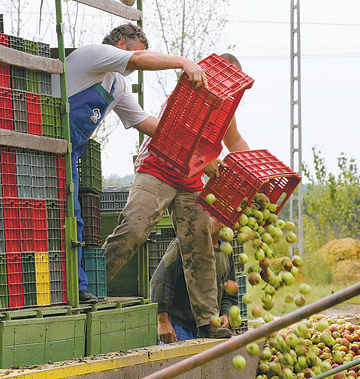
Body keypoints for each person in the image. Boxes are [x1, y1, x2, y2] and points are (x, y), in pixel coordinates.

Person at [104, 53, 249, 337]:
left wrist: (249, 171)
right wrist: (202, 157)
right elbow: (173, 131)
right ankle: (92, 287)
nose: (225, 88)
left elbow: (235, 141)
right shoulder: (192, 89)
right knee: (133, 228)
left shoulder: (227, 107)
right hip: (158, 167)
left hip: (190, 179)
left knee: (200, 245)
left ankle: (207, 321)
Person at [66, 23, 208, 303]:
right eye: (137, 55)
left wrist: (195, 145)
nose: (137, 65)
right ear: (120, 45)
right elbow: (139, 60)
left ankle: (79, 286)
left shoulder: (116, 84)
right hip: (50, 142)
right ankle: (71, 287)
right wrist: (183, 62)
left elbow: (145, 122)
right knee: (66, 217)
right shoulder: (95, 55)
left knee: (75, 218)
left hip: (73, 151)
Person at [151, 221, 238, 343]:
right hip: (181, 327)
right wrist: (162, 321)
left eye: (218, 218)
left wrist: (225, 314)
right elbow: (160, 280)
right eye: (209, 216)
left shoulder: (225, 252)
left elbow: (229, 294)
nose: (211, 220)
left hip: (211, 329)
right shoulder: (185, 243)